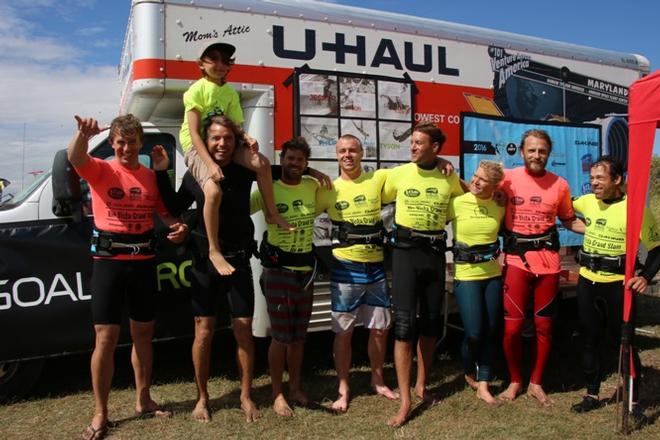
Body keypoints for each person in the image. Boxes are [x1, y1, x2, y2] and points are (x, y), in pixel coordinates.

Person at [68, 115, 188, 440]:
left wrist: (180, 227)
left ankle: (143, 399)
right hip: (110, 264)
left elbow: (165, 214)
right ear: (113, 143)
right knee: (105, 339)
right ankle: (100, 413)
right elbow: (75, 158)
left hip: (144, 263)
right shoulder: (102, 169)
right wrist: (82, 135)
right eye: (120, 141)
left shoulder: (150, 176)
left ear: (139, 143)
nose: (125, 147)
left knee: (143, 337)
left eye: (131, 141)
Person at [154, 115, 261, 423]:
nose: (222, 144)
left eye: (227, 138)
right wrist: (162, 172)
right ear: (205, 141)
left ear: (235, 140)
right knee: (203, 333)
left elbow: (279, 171)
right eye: (215, 138)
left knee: (243, 331)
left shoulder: (244, 169)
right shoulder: (196, 173)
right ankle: (202, 398)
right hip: (205, 262)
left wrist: (312, 170)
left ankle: (245, 395)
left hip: (238, 260)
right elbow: (175, 207)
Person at [179, 40, 291, 277]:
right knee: (213, 192)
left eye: (225, 60)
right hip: (197, 145)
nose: (220, 65)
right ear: (201, 64)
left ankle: (271, 212)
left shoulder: (229, 92)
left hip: (220, 140)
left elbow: (234, 126)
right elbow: (193, 132)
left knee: (261, 163)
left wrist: (245, 136)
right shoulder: (195, 90)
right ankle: (213, 249)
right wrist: (209, 164)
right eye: (213, 59)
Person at [382, 122, 464, 427]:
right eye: (412, 142)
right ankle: (404, 402)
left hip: (434, 256)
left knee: (430, 326)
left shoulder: (448, 176)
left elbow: (470, 196)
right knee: (404, 327)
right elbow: (367, 187)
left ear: (435, 147)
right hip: (405, 254)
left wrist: (448, 166)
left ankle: (422, 386)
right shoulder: (398, 174)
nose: (413, 147)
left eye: (419, 143)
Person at [570, 156, 659, 423]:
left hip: (619, 285)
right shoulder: (586, 202)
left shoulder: (636, 209)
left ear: (617, 180)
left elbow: (656, 249)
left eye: (600, 178)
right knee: (590, 338)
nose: (593, 182)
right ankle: (592, 394)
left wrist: (645, 276)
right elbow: (559, 206)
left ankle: (633, 402)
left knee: (625, 343)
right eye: (592, 177)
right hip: (587, 281)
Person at [498, 129, 582, 406]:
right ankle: (515, 380)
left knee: (544, 327)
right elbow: (478, 190)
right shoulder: (507, 179)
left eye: (542, 151)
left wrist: (603, 230)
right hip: (516, 262)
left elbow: (569, 220)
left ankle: (536, 382)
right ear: (522, 152)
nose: (536, 155)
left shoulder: (560, 184)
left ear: (548, 154)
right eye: (531, 150)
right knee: (512, 329)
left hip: (547, 264)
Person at [316, 134, 399, 413]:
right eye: (342, 151)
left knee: (379, 330)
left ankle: (378, 379)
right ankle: (343, 387)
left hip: (375, 267)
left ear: (362, 153)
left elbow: (414, 173)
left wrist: (440, 163)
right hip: (345, 270)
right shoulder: (328, 189)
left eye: (352, 150)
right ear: (336, 155)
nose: (347, 155)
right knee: (344, 332)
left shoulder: (377, 180)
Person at [251, 137, 319, 417]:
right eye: (290, 158)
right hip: (278, 272)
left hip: (306, 272)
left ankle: (295, 389)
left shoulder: (313, 186)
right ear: (282, 159)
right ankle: (277, 394)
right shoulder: (269, 188)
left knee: (299, 338)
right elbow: (235, 209)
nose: (294, 164)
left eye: (300, 160)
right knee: (280, 338)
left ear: (306, 164)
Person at [447, 160, 505, 405]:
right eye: (474, 176)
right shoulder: (457, 203)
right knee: (473, 332)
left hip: (492, 275)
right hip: (466, 276)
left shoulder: (500, 204)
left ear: (494, 186)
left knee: (491, 330)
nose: (476, 181)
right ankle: (468, 368)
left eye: (482, 180)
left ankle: (484, 383)